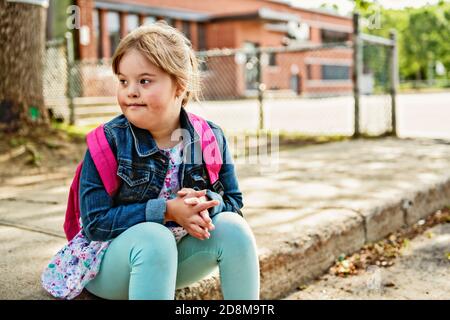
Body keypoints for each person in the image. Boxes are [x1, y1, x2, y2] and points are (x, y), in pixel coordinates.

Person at [75, 21, 259, 300]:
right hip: (108, 266)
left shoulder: (208, 137)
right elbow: (95, 223)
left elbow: (233, 203)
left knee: (235, 230)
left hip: (171, 261)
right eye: (123, 81)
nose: (130, 91)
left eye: (144, 81)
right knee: (154, 237)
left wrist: (207, 202)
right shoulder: (108, 143)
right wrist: (167, 211)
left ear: (180, 85)